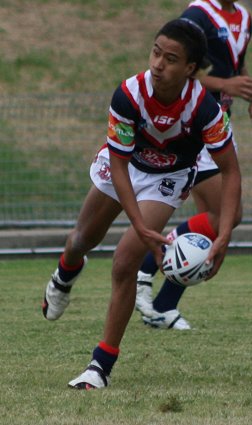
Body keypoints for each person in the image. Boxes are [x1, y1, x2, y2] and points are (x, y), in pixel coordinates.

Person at [42, 18, 241, 390]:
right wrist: (137, 222)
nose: (157, 65)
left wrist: (225, 234)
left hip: (167, 178)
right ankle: (65, 272)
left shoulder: (205, 110)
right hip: (124, 165)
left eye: (170, 58)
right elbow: (118, 164)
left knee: (124, 263)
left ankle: (99, 367)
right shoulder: (129, 94)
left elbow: (231, 171)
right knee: (82, 239)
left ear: (190, 69)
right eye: (155, 52)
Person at [135, 0, 252, 330]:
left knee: (210, 225)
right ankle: (144, 272)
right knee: (228, 215)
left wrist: (250, 94)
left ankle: (165, 306)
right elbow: (184, 72)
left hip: (219, 125)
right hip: (191, 124)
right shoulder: (197, 14)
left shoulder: (244, 16)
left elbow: (233, 67)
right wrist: (226, 86)